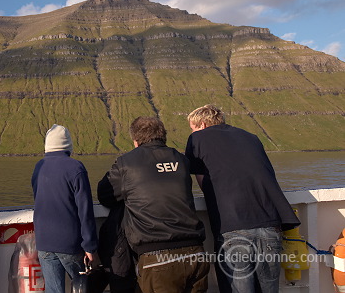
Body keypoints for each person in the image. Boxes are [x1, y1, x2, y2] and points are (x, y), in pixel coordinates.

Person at [185, 104, 301, 293]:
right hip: (270, 225)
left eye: (193, 127)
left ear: (202, 125)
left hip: (233, 227)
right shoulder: (251, 137)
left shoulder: (198, 138)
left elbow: (203, 183)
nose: (192, 131)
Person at [99, 116, 209, 293]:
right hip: (196, 253)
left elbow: (105, 194)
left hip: (158, 258)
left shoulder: (125, 163)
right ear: (163, 136)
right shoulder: (181, 160)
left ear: (135, 141)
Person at [32, 124, 99, 293]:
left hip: (44, 242)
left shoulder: (39, 167)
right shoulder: (75, 168)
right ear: (68, 144)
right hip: (69, 243)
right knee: (82, 285)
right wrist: (90, 247)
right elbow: (85, 211)